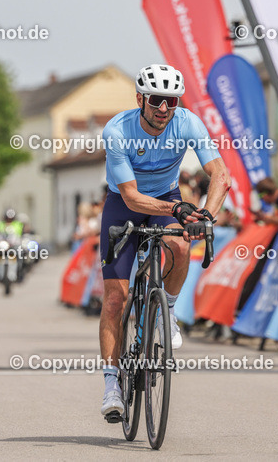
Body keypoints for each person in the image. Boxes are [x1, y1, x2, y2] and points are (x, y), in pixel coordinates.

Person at [98, 64, 229, 421]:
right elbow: (130, 197)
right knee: (114, 299)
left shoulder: (187, 122)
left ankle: (167, 310)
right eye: (156, 100)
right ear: (140, 98)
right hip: (125, 204)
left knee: (182, 246)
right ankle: (112, 385)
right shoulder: (117, 131)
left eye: (170, 101)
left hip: (167, 198)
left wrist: (206, 215)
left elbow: (220, 174)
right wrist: (179, 207)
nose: (163, 108)